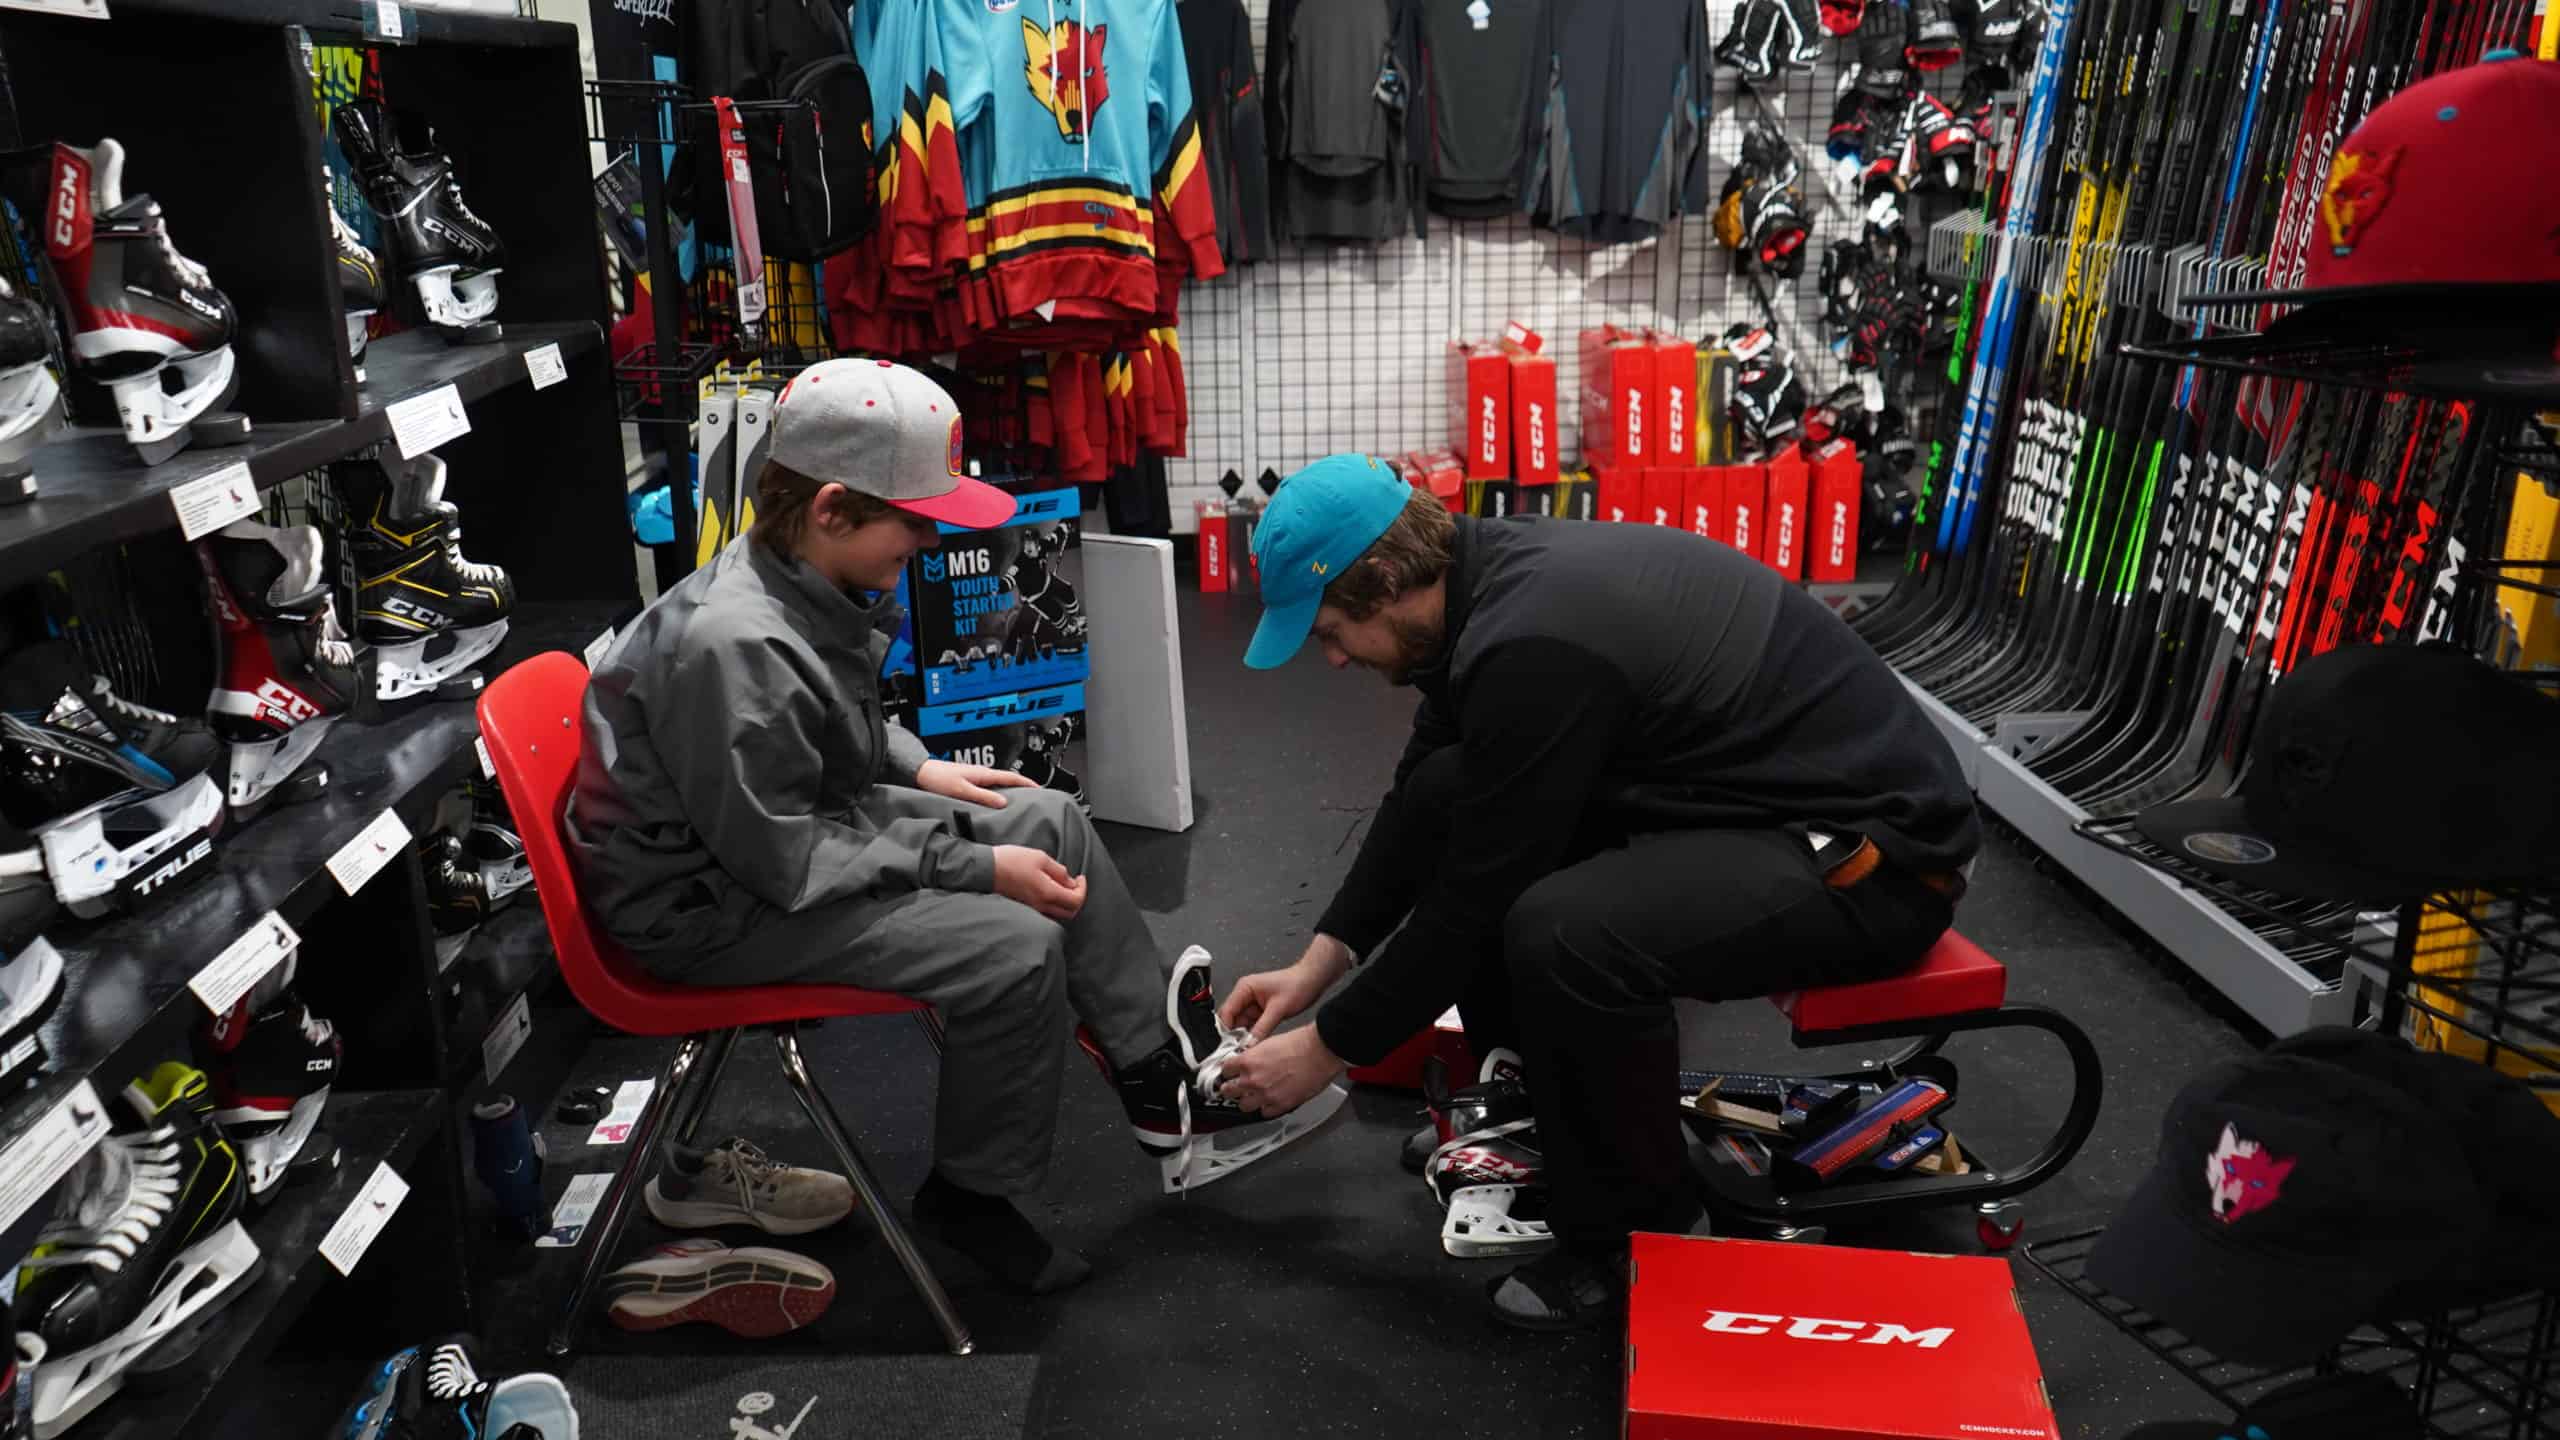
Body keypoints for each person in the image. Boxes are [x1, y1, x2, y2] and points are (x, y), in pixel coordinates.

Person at [1212, 454, 1980, 1330]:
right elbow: (1422, 796)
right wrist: (1318, 965)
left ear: (1385, 579)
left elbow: (1473, 899)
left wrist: (1327, 1048)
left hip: (1878, 859)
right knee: (1454, 795)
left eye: (1332, 630)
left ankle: (1632, 1236)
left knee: (1569, 934)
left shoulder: (1534, 643)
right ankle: (1539, 1113)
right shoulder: (1475, 585)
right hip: (1753, 801)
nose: (1334, 656)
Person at [566, 359, 1266, 1294]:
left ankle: (1155, 1074)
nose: (933, 538)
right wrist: (972, 870)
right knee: (1012, 948)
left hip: (766, 836)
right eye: (915, 519)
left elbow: (823, 728)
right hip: (708, 907)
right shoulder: (733, 643)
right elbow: (786, 858)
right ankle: (971, 1195)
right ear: (831, 509)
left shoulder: (797, 576)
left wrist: (918, 765)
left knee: (1048, 815)